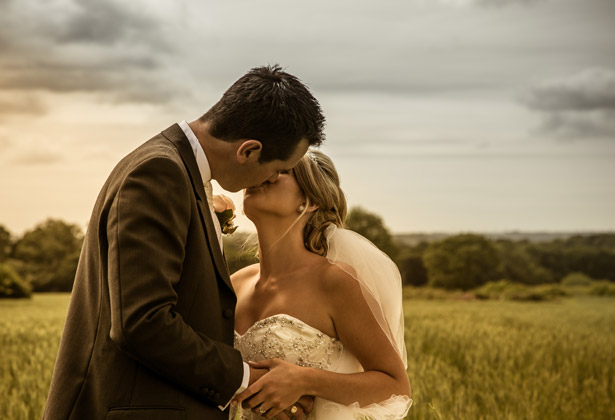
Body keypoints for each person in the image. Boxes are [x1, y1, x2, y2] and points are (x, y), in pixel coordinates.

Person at [42, 65, 325, 420]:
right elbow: (143, 321)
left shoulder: (177, 170)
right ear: (248, 150)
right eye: (278, 167)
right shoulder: (159, 172)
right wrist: (247, 378)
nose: (273, 178)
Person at [230, 150, 412, 419]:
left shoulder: (335, 281)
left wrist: (304, 381)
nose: (263, 174)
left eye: (282, 170)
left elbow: (396, 386)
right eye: (261, 166)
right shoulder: (235, 283)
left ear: (309, 200)